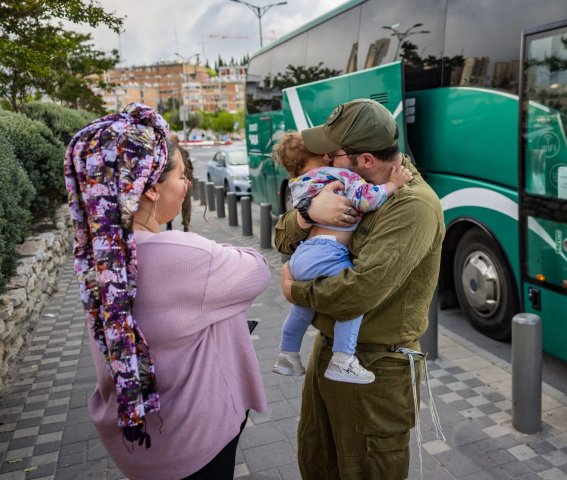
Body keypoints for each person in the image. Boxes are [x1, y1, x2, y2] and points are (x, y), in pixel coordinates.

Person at [64, 103, 269, 480]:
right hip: (196, 440)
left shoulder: (97, 258)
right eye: (182, 175)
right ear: (152, 189)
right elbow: (257, 269)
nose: (188, 184)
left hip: (140, 446)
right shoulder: (184, 255)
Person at [274, 98, 445, 479]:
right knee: (318, 461)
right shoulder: (351, 183)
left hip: (374, 370)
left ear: (365, 159)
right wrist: (306, 215)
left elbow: (357, 292)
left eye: (332, 153)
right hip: (330, 352)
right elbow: (282, 239)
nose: (324, 160)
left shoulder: (411, 205)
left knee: (364, 470)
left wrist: (294, 291)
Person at [270, 131, 413, 383]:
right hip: (329, 252)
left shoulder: (298, 183)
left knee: (300, 312)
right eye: (322, 153)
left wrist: (307, 213)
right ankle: (343, 359)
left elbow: (286, 229)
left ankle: (287, 354)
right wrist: (393, 185)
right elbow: (367, 199)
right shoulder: (340, 175)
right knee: (352, 302)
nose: (328, 156)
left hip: (302, 256)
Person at [165, 132, 194, 231]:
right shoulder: (184, 151)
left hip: (173, 182)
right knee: (186, 204)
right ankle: (186, 224)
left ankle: (170, 223)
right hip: (183, 181)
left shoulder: (167, 152)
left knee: (170, 202)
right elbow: (190, 167)